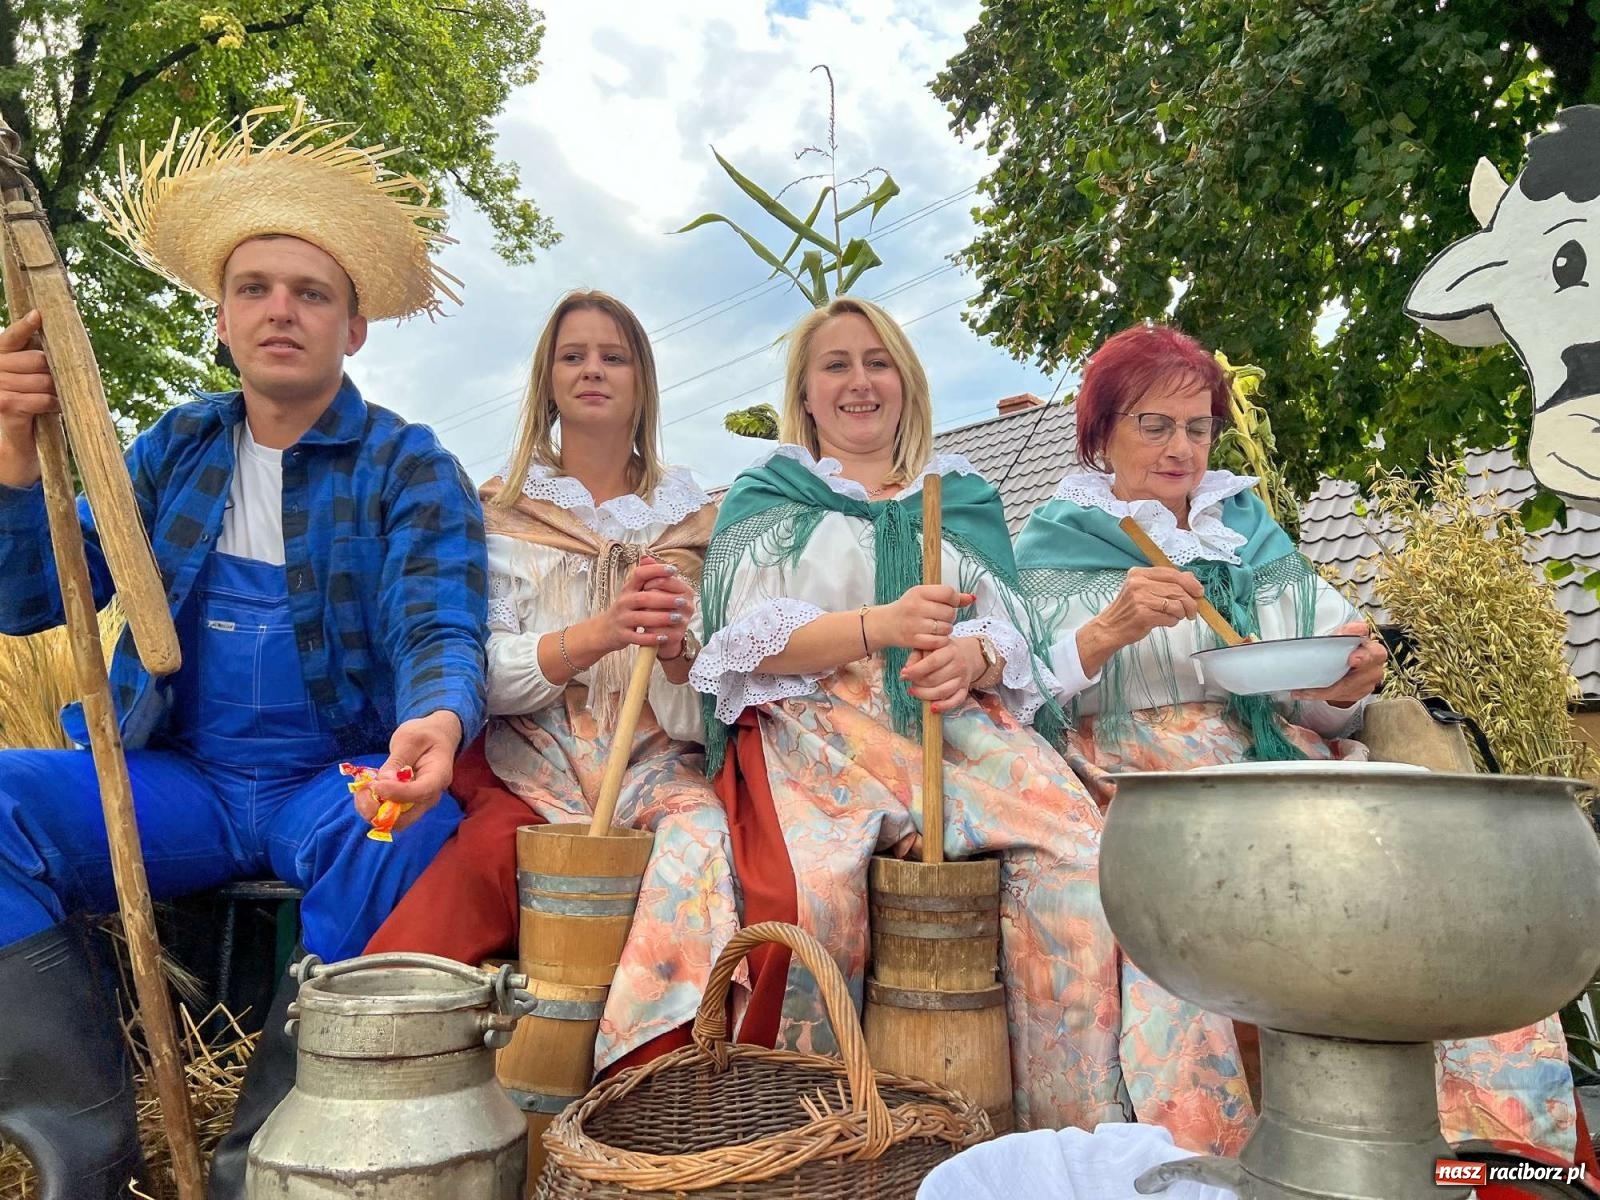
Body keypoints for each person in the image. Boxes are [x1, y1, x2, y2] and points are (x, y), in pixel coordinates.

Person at [0, 109, 486, 1199]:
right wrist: (16, 463)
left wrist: (438, 723)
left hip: (330, 777)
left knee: (403, 820)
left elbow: (439, 624)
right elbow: (36, 597)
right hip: (182, 777)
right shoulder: (174, 445)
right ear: (220, 317)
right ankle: (88, 1154)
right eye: (257, 288)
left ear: (352, 328)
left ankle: (261, 1161)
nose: (281, 311)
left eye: (311, 294)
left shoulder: (410, 465)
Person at [687, 296, 1253, 1153]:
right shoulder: (767, 496)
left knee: (1086, 860)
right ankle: (810, 1153)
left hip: (952, 725)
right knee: (814, 901)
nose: (859, 382)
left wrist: (973, 658)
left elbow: (1012, 632)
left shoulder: (963, 497)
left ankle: (1068, 1142)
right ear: (804, 392)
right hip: (814, 729)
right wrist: (879, 626)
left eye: (878, 363)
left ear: (906, 384)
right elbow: (737, 644)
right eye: (836, 365)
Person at [1013, 321, 1588, 1163]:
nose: (1181, 448)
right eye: (1155, 424)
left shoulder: (1248, 534)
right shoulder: (1049, 544)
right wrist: (1106, 632)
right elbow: (1019, 698)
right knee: (1180, 925)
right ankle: (1200, 1165)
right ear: (1102, 433)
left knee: (1442, 889)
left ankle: (1486, 1160)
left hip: (1273, 760)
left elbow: (1314, 691)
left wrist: (1347, 686)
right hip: (1135, 772)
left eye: (1199, 426)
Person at [365, 290, 742, 1072]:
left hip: (654, 763)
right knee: (490, 860)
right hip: (526, 762)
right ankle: (377, 1053)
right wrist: (598, 633)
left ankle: (652, 1080)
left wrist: (674, 651)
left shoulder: (693, 524)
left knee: (702, 846)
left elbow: (705, 701)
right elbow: (473, 671)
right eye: (574, 356)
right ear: (547, 381)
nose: (594, 370)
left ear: (642, 382)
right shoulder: (497, 513)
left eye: (615, 356)